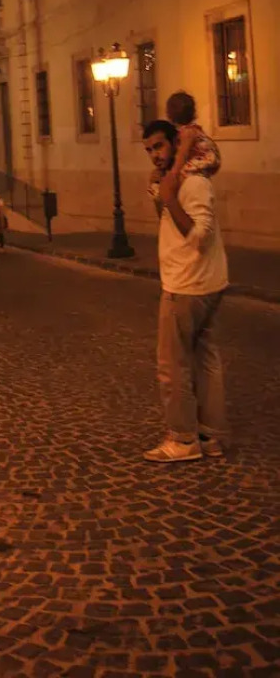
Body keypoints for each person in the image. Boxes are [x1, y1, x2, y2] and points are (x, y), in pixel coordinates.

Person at [142, 119, 228, 464]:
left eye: (159, 147)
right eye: (149, 150)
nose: (154, 156)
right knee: (206, 362)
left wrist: (169, 197)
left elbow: (200, 234)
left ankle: (182, 439)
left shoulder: (193, 183)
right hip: (204, 283)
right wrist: (162, 193)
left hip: (186, 285)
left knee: (172, 366)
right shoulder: (178, 180)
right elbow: (165, 217)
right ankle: (211, 436)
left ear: (176, 143)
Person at [148, 91, 221, 200]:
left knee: (172, 186)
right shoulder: (195, 130)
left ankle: (158, 192)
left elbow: (183, 153)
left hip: (198, 162)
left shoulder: (186, 133)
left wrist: (174, 174)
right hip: (205, 161)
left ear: (170, 114)